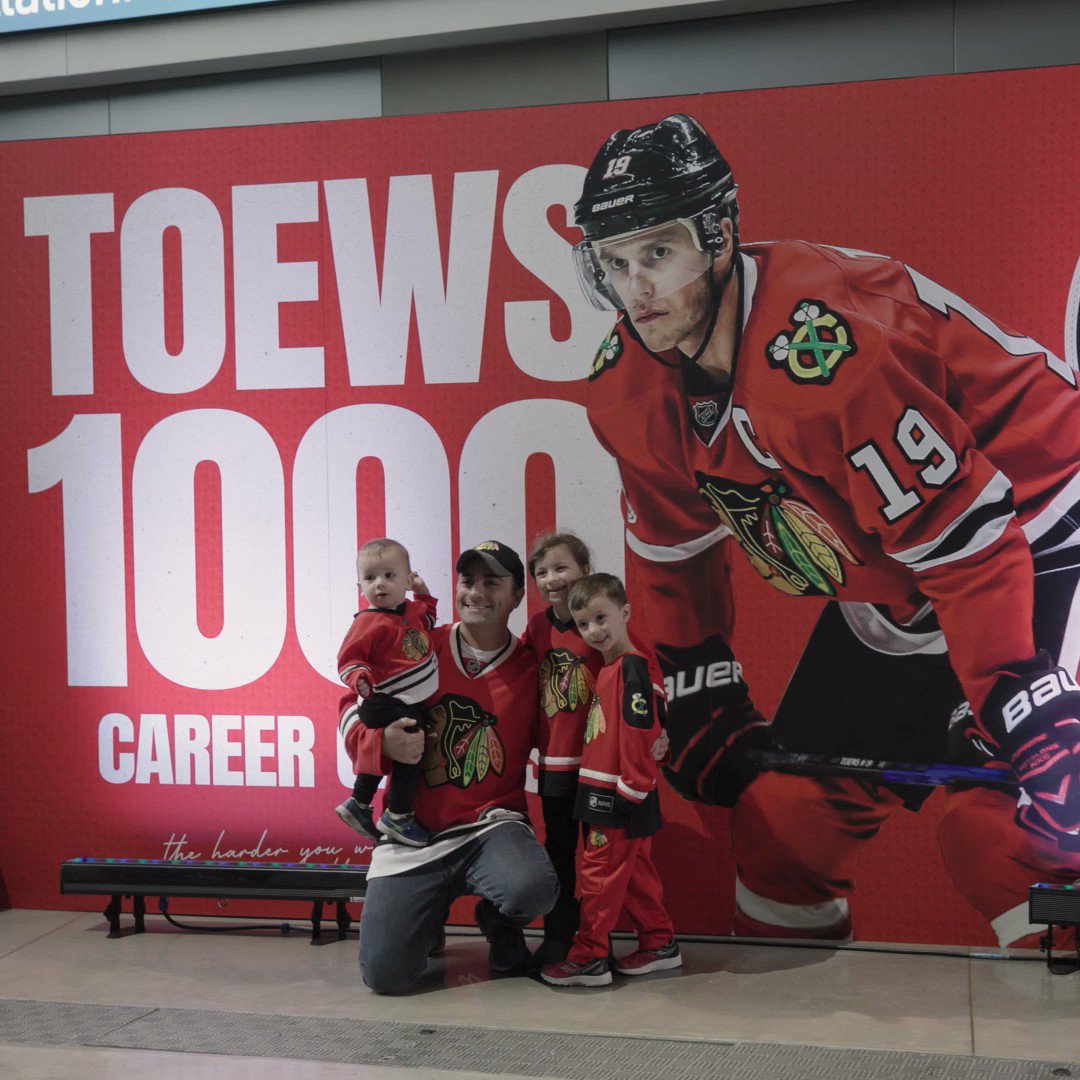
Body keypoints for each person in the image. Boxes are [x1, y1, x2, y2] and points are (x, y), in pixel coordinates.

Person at [573, 113, 1080, 947]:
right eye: (615, 262)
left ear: (720, 232)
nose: (638, 289)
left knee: (999, 835)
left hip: (1041, 526)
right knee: (783, 823)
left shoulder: (825, 357)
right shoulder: (628, 384)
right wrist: (698, 678)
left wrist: (1015, 698)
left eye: (658, 252)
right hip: (913, 570)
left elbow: (971, 542)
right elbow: (672, 548)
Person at [345, 541, 559, 993]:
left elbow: (567, 735)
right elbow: (352, 708)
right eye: (468, 581)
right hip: (412, 832)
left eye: (492, 582)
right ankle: (426, 915)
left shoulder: (532, 668)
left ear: (518, 594)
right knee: (385, 978)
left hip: (488, 828)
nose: (476, 592)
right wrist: (380, 741)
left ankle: (499, 920)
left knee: (532, 889)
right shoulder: (418, 644)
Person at [522, 531, 669, 967]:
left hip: (602, 771)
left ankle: (595, 949)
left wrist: (660, 731)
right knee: (562, 855)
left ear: (586, 570)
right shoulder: (536, 627)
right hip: (556, 765)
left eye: (561, 567)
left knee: (605, 861)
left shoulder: (609, 627)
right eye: (542, 572)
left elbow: (647, 687)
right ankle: (561, 937)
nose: (552, 578)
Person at [335, 538, 439, 846]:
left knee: (398, 749)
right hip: (382, 700)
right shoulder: (369, 622)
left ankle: (359, 801)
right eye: (370, 578)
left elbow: (429, 617)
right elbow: (348, 659)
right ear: (360, 585)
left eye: (389, 576)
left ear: (406, 580)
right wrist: (360, 677)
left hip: (403, 699)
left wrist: (422, 591)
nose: (379, 584)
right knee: (411, 747)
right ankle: (399, 815)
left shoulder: (411, 610)